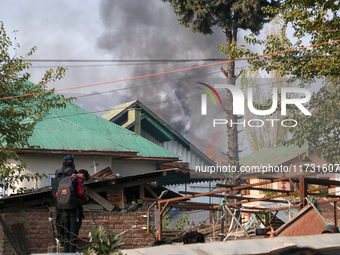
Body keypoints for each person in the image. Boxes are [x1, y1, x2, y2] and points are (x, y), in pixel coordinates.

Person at [61, 169, 90, 253]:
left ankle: (66, 252)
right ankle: (72, 252)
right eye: (84, 179)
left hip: (64, 209)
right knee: (73, 232)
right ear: (82, 175)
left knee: (66, 231)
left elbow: (57, 194)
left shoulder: (64, 180)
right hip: (74, 209)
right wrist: (86, 198)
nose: (83, 181)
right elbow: (81, 193)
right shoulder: (77, 180)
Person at [52, 155, 77, 244]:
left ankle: (60, 238)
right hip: (68, 201)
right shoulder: (73, 172)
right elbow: (74, 187)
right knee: (68, 221)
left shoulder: (57, 171)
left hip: (58, 200)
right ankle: (68, 240)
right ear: (72, 163)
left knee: (59, 219)